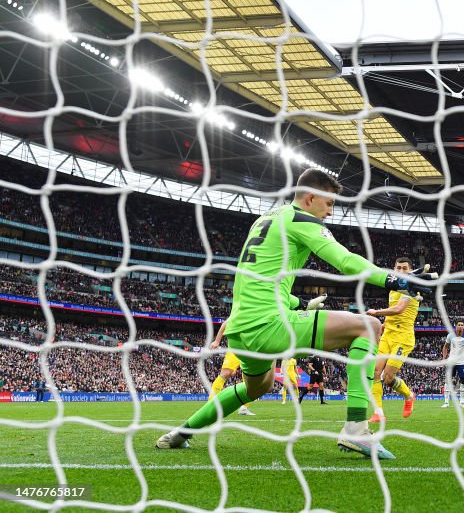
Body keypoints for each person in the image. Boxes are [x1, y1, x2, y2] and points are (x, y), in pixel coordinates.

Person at [155, 168, 435, 460]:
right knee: (369, 326)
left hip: (240, 329)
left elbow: (261, 281)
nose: (330, 212)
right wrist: (396, 280)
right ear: (311, 198)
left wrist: (300, 303)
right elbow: (344, 260)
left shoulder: (266, 218)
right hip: (268, 325)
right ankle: (356, 430)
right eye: (329, 203)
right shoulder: (302, 219)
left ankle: (180, 433)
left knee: (256, 387)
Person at [367, 257, 421, 424]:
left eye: (405, 268)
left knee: (388, 378)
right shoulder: (393, 288)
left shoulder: (411, 287)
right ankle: (378, 413)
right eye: (398, 268)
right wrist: (384, 324)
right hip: (388, 335)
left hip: (403, 338)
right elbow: (394, 313)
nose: (401, 271)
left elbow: (399, 309)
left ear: (410, 270)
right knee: (375, 372)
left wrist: (376, 313)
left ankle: (409, 395)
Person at [209, 319, 254, 415]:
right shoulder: (242, 311)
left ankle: (244, 408)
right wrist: (217, 341)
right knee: (224, 374)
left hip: (249, 350)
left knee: (251, 379)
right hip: (235, 348)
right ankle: (210, 404)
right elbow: (225, 323)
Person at [442, 321, 464, 408]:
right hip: (451, 362)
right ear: (456, 326)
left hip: (462, 362)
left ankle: (462, 402)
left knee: (463, 380)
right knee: (448, 381)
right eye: (459, 325)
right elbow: (445, 347)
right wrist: (444, 358)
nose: (460, 326)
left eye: (462, 325)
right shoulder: (450, 336)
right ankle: (446, 402)